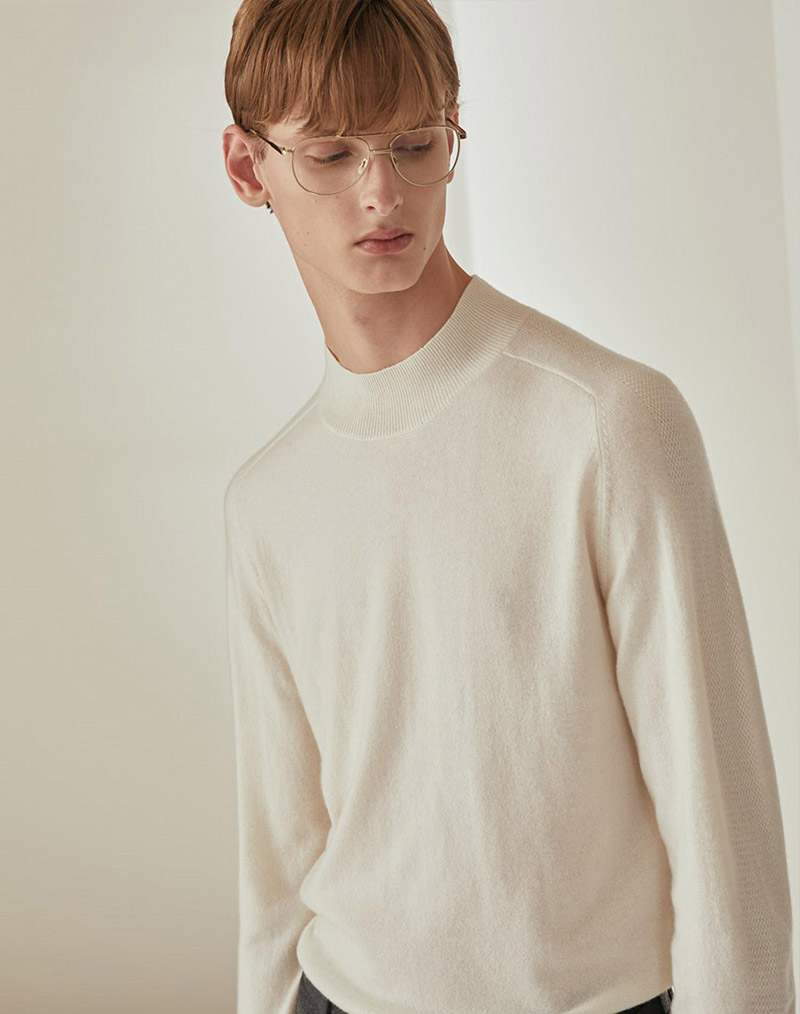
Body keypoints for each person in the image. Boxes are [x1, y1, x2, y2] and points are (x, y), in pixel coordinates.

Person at [220, 3, 796, 1014]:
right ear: (246, 167)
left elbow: (723, 832)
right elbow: (278, 860)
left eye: (415, 144)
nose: (381, 192)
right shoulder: (268, 500)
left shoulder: (609, 421)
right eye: (331, 154)